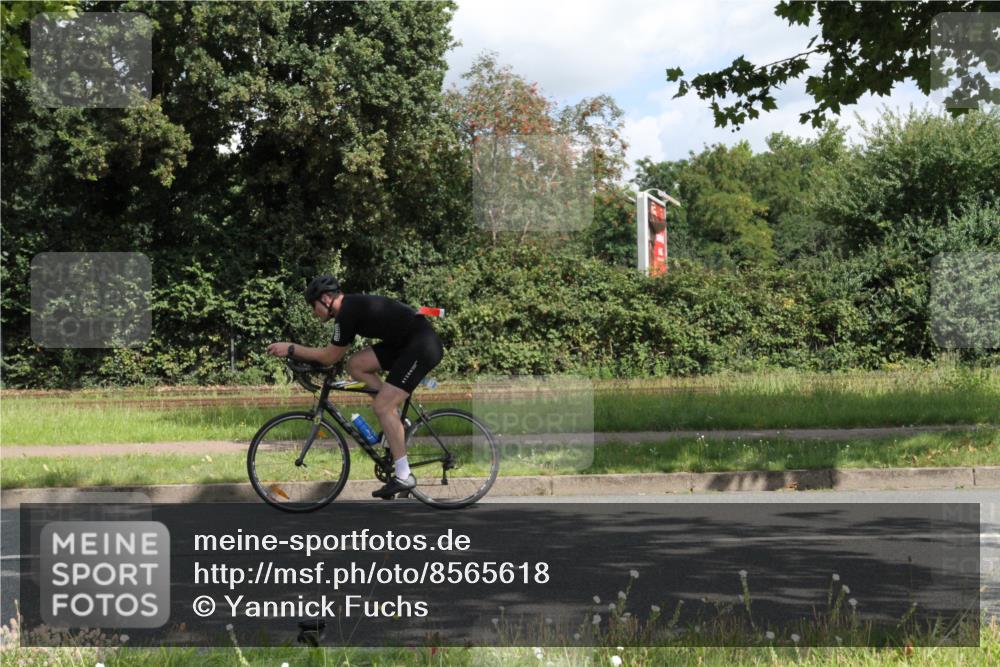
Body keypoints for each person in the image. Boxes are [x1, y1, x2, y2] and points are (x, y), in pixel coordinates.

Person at [266, 275, 444, 498]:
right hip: (404, 344)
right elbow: (336, 357)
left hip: (421, 346)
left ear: (326, 299)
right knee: (356, 365)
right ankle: (397, 420)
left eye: (313, 306)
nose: (313, 313)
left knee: (382, 406)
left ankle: (403, 475)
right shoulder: (349, 309)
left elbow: (329, 357)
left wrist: (292, 348)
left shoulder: (347, 312)